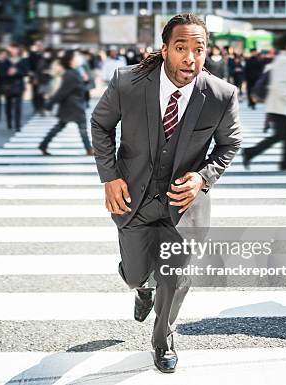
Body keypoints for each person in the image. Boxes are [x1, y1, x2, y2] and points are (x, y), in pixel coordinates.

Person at [91, 13, 241, 374]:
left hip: (183, 207)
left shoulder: (221, 94)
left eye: (199, 49)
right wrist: (110, 177)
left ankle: (163, 338)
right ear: (165, 49)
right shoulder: (128, 81)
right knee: (133, 274)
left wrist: (203, 178)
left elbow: (229, 144)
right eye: (181, 48)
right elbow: (100, 124)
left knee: (175, 278)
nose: (190, 58)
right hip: (133, 200)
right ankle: (142, 285)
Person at [242, 34, 286, 171]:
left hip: (277, 104)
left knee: (284, 135)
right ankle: (251, 152)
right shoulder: (285, 60)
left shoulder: (282, 59)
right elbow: (280, 84)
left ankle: (285, 162)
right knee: (283, 135)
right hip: (279, 105)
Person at [39, 50, 92, 156]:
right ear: (70, 61)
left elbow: (78, 86)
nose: (78, 59)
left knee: (61, 126)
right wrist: (50, 104)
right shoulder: (70, 74)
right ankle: (89, 149)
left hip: (73, 104)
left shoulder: (74, 72)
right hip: (72, 105)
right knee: (81, 127)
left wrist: (85, 81)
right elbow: (62, 92)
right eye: (75, 58)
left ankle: (43, 144)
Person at [0, 44, 29, 131]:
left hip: (19, 86)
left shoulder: (23, 61)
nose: (14, 50)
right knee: (8, 105)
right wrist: (8, 73)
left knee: (18, 106)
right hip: (8, 86)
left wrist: (17, 71)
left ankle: (17, 125)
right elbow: (1, 74)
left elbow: (26, 72)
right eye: (12, 49)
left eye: (16, 49)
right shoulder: (5, 61)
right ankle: (9, 121)